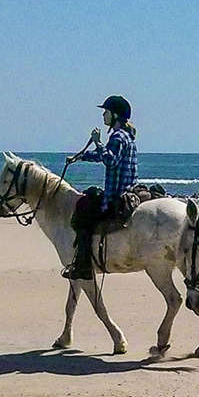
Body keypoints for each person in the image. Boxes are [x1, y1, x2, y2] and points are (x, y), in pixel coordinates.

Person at [62, 95, 137, 280]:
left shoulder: (118, 136)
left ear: (115, 115)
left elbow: (110, 160)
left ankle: (83, 266)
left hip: (116, 196)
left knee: (82, 214)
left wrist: (97, 141)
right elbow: (102, 156)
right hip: (126, 191)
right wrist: (80, 157)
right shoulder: (125, 136)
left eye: (106, 112)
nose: (103, 115)